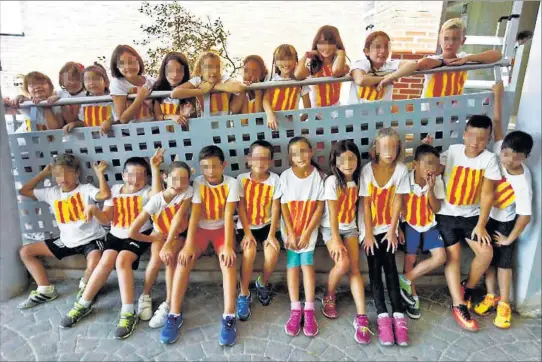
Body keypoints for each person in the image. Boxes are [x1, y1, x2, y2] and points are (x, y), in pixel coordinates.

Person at [59, 152, 163, 340]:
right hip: (115, 234)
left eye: (141, 175)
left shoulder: (147, 191)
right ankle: (83, 304)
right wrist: (94, 210)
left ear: (146, 178)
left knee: (122, 260)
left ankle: (128, 311)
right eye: (131, 174)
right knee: (105, 261)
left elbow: (158, 195)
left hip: (138, 234)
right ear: (123, 175)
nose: (135, 180)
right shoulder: (115, 190)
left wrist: (155, 169)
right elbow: (106, 218)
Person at [160, 145, 239, 347]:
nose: (210, 171)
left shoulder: (232, 183)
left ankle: (229, 316)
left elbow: (229, 215)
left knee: (228, 262)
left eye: (214, 166)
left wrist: (229, 245)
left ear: (224, 166)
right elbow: (194, 215)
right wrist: (188, 245)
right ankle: (174, 314)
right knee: (183, 259)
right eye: (205, 167)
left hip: (222, 229)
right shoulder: (197, 183)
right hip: (201, 231)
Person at [433, 114, 502, 332]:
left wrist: (481, 224)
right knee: (452, 256)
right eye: (471, 136)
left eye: (481, 138)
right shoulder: (452, 151)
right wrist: (429, 154)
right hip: (446, 213)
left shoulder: (489, 159)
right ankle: (458, 303)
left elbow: (488, 194)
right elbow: (435, 169)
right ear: (464, 134)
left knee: (485, 252)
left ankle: (468, 288)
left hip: (472, 217)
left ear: (488, 139)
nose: (475, 142)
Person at [473, 82, 533, 329]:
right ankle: (491, 295)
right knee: (488, 259)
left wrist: (510, 239)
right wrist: (497, 94)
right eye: (506, 154)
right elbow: (498, 123)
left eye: (515, 157)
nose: (508, 160)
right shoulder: (498, 149)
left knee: (504, 263)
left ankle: (504, 303)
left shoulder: (521, 180)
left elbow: (525, 215)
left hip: (507, 223)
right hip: (489, 216)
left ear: (525, 157)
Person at [17, 154, 110, 308]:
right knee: (26, 252)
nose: (63, 177)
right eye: (58, 174)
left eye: (68, 172)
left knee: (94, 264)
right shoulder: (52, 193)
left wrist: (100, 173)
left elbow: (105, 195)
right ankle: (45, 290)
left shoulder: (85, 189)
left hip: (92, 239)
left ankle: (86, 286)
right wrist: (44, 173)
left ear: (77, 173)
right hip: (66, 241)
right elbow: (24, 191)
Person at [359, 127, 410, 347]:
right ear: (376, 149)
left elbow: (398, 201)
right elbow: (366, 204)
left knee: (390, 266)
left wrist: (393, 229)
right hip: (369, 228)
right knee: (374, 267)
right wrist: (368, 234)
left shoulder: (401, 170)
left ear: (398, 148)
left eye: (393, 147)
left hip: (390, 226)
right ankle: (382, 315)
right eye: (384, 147)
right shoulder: (367, 171)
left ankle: (398, 315)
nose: (389, 151)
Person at [129, 161, 193, 328]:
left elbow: (179, 218)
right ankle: (145, 295)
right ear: (165, 177)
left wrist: (168, 244)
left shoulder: (187, 191)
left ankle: (168, 304)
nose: (178, 184)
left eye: (183, 179)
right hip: (159, 234)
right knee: (156, 260)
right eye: (174, 179)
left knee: (169, 258)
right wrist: (155, 240)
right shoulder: (156, 201)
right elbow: (132, 232)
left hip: (178, 234)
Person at [320, 140, 371, 344]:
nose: (347, 163)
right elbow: (332, 215)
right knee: (342, 263)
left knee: (354, 270)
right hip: (331, 228)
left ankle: (361, 316)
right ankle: (328, 294)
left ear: (358, 160)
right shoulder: (333, 181)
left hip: (350, 227)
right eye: (342, 159)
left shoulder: (360, 179)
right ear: (335, 161)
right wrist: (335, 240)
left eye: (352, 158)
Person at [280, 137, 325, 337]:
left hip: (308, 230)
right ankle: (295, 308)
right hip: (290, 230)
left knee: (307, 265)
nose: (300, 156)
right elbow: (284, 207)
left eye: (304, 151)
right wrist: (291, 232)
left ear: (311, 152)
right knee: (292, 265)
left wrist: (306, 233)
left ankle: (309, 309)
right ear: (290, 156)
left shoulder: (318, 177)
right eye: (295, 153)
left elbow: (319, 207)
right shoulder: (285, 177)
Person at [398, 144, 447, 319]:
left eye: (435, 164)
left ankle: (405, 279)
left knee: (440, 257)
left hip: (429, 225)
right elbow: (397, 205)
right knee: (410, 258)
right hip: (410, 225)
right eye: (427, 164)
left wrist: (431, 190)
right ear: (415, 165)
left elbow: (435, 208)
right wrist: (398, 227)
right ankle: (412, 296)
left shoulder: (436, 181)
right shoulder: (405, 179)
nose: (431, 169)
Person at [236, 140, 282, 320]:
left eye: (265, 158)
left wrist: (271, 234)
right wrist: (247, 233)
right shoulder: (241, 179)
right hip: (247, 226)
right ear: (249, 159)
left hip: (267, 226)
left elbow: (276, 208)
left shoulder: (275, 179)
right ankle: (244, 292)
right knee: (249, 252)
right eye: (256, 158)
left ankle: (262, 282)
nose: (260, 162)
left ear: (270, 161)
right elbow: (240, 207)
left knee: (272, 253)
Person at [417, 18, 501, 98]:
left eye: (455, 39)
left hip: (454, 109)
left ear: (463, 41)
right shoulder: (435, 58)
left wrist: (468, 58)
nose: (450, 43)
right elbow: (422, 63)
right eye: (446, 38)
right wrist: (443, 62)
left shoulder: (463, 57)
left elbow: (497, 55)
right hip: (429, 109)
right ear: (440, 39)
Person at [349, 31, 417, 104]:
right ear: (366, 51)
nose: (383, 51)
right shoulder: (361, 64)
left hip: (383, 112)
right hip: (357, 112)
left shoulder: (390, 65)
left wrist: (391, 77)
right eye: (377, 47)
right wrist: (385, 79)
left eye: (386, 47)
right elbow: (360, 80)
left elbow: (413, 64)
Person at [171, 51, 246, 117]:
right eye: (209, 67)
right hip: (204, 125)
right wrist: (202, 91)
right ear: (200, 71)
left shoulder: (223, 79)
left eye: (217, 67)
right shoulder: (197, 81)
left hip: (223, 125)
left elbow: (240, 87)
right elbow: (174, 93)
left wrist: (216, 86)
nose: (214, 71)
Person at [295, 25, 349, 111]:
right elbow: (297, 75)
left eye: (330, 43)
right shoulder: (313, 65)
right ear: (316, 44)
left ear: (337, 44)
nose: (326, 47)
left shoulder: (342, 64)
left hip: (336, 111)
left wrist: (341, 53)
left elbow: (337, 72)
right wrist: (306, 56)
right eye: (321, 43)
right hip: (316, 113)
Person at [106, 45, 156, 133]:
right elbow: (123, 119)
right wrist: (140, 98)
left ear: (138, 61)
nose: (128, 67)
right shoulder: (118, 84)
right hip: (131, 133)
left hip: (155, 129)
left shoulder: (151, 81)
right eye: (122, 64)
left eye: (131, 62)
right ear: (116, 66)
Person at [263, 44, 310, 130]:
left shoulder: (301, 82)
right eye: (281, 59)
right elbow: (265, 100)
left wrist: (296, 122)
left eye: (289, 58)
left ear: (296, 60)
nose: (286, 63)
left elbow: (307, 110)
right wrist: (270, 114)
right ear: (275, 62)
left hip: (292, 126)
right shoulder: (271, 78)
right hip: (271, 124)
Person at [63, 63, 116, 132]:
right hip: (92, 140)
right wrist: (74, 124)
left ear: (106, 82)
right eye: (87, 80)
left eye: (96, 79)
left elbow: (119, 119)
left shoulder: (112, 100)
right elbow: (83, 122)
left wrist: (109, 122)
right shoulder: (85, 103)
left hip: (112, 139)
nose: (91, 82)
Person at [152, 52, 196, 128]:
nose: (175, 75)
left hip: (185, 134)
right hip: (165, 135)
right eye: (170, 70)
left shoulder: (190, 88)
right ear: (164, 70)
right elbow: (157, 116)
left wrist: (186, 114)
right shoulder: (158, 87)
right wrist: (171, 116)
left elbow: (195, 116)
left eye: (179, 71)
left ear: (184, 72)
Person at [233, 55, 268, 125]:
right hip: (242, 132)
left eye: (254, 71)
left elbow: (260, 118)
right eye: (246, 70)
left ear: (262, 73)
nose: (250, 74)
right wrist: (243, 91)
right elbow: (234, 111)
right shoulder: (239, 91)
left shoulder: (266, 91)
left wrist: (258, 94)